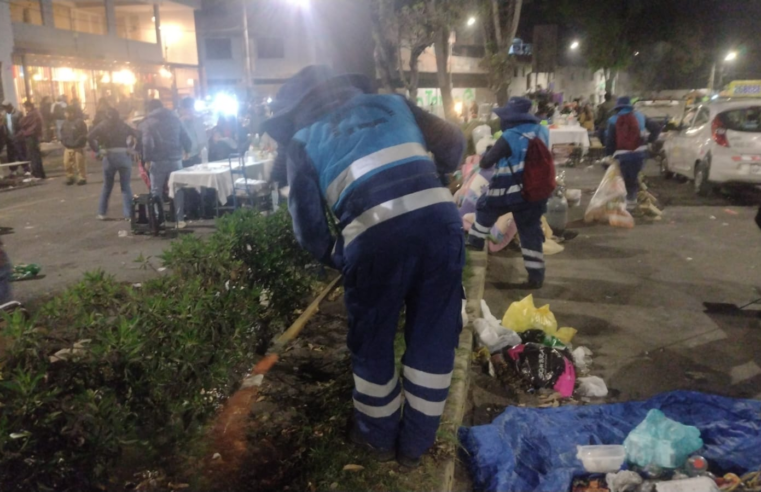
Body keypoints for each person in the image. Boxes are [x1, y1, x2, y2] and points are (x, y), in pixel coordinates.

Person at [262, 65, 465, 468]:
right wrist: (435, 175)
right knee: (435, 336)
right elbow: (454, 145)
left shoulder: (302, 141)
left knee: (372, 343)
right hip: (441, 227)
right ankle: (415, 446)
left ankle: (376, 438)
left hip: (373, 244)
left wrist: (342, 256)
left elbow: (308, 230)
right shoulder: (395, 104)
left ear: (294, 113)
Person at [468, 97, 550, 289]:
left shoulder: (509, 136)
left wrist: (487, 153)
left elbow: (486, 163)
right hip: (536, 193)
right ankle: (536, 276)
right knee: (530, 231)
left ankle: (474, 244)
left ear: (511, 119)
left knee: (484, 208)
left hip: (508, 192)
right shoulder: (542, 131)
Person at [140, 99, 192, 228]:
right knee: (178, 188)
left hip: (158, 160)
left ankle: (159, 219)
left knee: (156, 190)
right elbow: (185, 136)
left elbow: (147, 143)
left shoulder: (148, 123)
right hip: (176, 159)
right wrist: (187, 150)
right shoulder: (175, 119)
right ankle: (180, 219)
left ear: (150, 109)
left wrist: (147, 159)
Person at [604, 96, 662, 209]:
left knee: (624, 180)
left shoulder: (613, 120)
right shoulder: (641, 116)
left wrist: (608, 156)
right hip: (640, 154)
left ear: (618, 108)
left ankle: (627, 207)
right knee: (633, 178)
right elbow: (656, 128)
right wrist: (649, 140)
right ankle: (632, 202)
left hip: (622, 155)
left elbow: (610, 141)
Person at [89, 108, 138, 220]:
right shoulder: (123, 125)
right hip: (123, 155)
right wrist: (133, 149)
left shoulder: (103, 125)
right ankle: (129, 214)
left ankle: (102, 212)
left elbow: (89, 137)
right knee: (125, 186)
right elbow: (137, 135)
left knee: (107, 185)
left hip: (109, 155)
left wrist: (97, 150)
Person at [60, 106, 88, 185]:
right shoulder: (65, 123)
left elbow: (84, 134)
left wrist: (79, 142)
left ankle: (82, 177)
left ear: (71, 113)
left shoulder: (79, 122)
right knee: (67, 163)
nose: (65, 114)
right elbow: (62, 133)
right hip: (68, 147)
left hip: (78, 147)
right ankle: (70, 177)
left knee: (79, 163)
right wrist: (64, 141)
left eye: (66, 113)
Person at [19, 101, 45, 179]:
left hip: (31, 136)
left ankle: (36, 173)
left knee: (33, 156)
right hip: (35, 136)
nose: (26, 109)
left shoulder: (32, 114)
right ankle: (40, 173)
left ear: (29, 106)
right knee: (36, 155)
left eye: (26, 107)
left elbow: (22, 122)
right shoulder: (37, 113)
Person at [178, 97, 207, 167]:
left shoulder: (198, 120)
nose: (189, 111)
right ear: (182, 109)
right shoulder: (178, 122)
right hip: (182, 157)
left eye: (191, 109)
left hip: (196, 156)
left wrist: (202, 151)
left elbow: (202, 138)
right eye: (186, 109)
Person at [1, 101, 27, 175]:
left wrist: (19, 134)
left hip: (17, 136)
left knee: (21, 153)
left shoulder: (18, 113)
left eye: (6, 107)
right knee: (11, 155)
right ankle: (13, 170)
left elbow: (22, 125)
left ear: (10, 106)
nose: (5, 109)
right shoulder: (4, 114)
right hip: (9, 137)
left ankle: (26, 169)